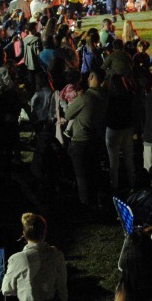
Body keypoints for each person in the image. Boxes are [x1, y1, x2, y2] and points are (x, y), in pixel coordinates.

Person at [2, 212, 68, 301]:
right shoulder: (56, 254)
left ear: (24, 234)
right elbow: (62, 285)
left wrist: (24, 287)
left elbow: (6, 289)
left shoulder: (18, 259)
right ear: (44, 232)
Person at [64, 67, 108, 212]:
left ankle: (85, 205)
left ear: (91, 77)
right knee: (95, 172)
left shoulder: (85, 98)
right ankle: (98, 201)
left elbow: (68, 114)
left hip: (81, 141)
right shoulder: (105, 96)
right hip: (97, 139)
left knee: (81, 176)